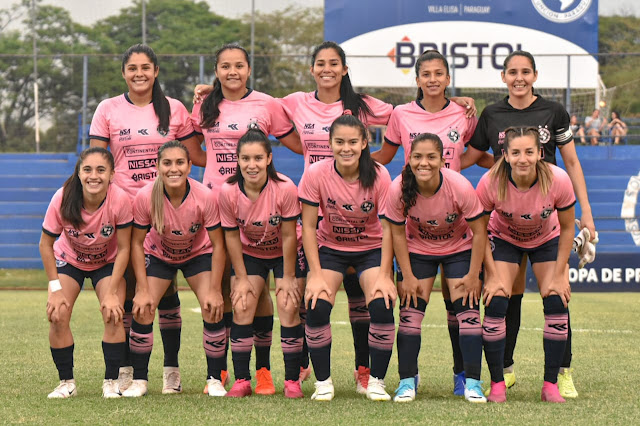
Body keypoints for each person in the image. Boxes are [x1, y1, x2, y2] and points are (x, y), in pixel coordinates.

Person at [461, 50, 594, 399]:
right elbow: (472, 156)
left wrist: (586, 217)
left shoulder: (554, 118)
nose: (519, 78)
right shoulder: (492, 118)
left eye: (525, 72)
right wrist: (433, 168)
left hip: (546, 220)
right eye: (512, 72)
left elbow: (572, 164)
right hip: (506, 227)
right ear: (503, 76)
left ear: (535, 75)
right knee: (504, 297)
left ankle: (558, 376)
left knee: (556, 294)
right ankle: (502, 375)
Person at [89, 44, 202, 394]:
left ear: (155, 72)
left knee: (165, 292)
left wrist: (208, 104)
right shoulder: (108, 109)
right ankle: (125, 368)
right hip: (124, 206)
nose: (139, 73)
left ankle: (171, 369)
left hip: (165, 208)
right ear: (123, 72)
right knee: (126, 295)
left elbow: (195, 154)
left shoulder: (176, 109)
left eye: (146, 68)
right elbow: (97, 158)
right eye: (132, 68)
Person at [190, 44, 301, 395]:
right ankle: (220, 372)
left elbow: (299, 143)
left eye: (239, 65)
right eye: (225, 66)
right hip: (216, 203)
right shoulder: (205, 103)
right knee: (224, 287)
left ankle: (264, 371)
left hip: (260, 204)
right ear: (217, 69)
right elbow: (195, 150)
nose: (232, 72)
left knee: (256, 291)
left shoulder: (267, 104)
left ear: (249, 69)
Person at [371, 49, 480, 396]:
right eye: (426, 74)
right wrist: (350, 157)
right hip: (418, 228)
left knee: (458, 304)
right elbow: (386, 156)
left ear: (448, 78)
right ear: (417, 80)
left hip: (453, 221)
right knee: (413, 303)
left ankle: (463, 375)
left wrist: (508, 165)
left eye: (439, 73)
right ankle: (409, 378)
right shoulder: (402, 114)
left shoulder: (464, 112)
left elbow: (473, 152)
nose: (432, 79)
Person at [298, 114, 396, 401]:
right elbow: (308, 226)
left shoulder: (379, 174)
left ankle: (375, 381)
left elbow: (389, 228)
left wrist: (386, 274)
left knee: (381, 305)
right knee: (316, 305)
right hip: (330, 249)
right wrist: (315, 274)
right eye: (339, 142)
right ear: (330, 144)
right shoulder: (316, 173)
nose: (346, 148)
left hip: (370, 250)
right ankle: (323, 383)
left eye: (353, 142)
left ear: (365, 143)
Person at [383, 133, 487, 403]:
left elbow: (479, 233)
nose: (424, 163)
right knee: (409, 315)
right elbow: (396, 234)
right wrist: (405, 275)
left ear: (443, 160)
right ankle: (407, 381)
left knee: (469, 314)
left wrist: (474, 275)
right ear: (409, 159)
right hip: (418, 250)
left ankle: (472, 382)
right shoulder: (398, 188)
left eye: (431, 157)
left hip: (459, 248)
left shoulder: (459, 186)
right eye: (417, 157)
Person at [476, 126, 575, 403]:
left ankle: (550, 384)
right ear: (505, 155)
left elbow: (567, 229)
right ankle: (497, 384)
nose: (523, 158)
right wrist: (492, 275)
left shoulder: (558, 179)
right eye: (516, 152)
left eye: (529, 152)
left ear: (540, 153)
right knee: (495, 301)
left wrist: (559, 274)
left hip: (547, 239)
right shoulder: (489, 181)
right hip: (505, 239)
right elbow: (479, 231)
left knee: (556, 300)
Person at [124, 141, 226, 397]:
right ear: (157, 166)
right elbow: (136, 243)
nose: (173, 168)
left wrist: (214, 290)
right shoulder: (145, 196)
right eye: (167, 163)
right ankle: (140, 380)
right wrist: (143, 288)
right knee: (144, 308)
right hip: (159, 256)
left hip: (196, 255)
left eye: (179, 162)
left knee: (212, 308)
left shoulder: (205, 196)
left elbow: (218, 245)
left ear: (190, 166)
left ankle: (214, 379)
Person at [219, 126, 306, 398]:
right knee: (242, 303)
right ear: (238, 160)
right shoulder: (228, 191)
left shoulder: (285, 187)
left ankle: (292, 380)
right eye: (245, 158)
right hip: (250, 254)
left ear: (269, 159)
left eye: (258, 158)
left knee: (288, 304)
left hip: (285, 253)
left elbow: (290, 235)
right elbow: (231, 238)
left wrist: (289, 276)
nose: (251, 164)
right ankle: (244, 380)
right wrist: (242, 277)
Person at [40, 147, 132, 398]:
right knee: (57, 314)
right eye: (88, 169)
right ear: (79, 173)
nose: (94, 176)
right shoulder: (62, 197)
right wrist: (55, 289)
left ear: (112, 174)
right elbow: (45, 244)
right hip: (70, 260)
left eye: (101, 170)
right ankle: (66, 383)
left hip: (107, 261)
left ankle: (111, 382)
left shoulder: (120, 199)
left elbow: (124, 248)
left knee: (113, 313)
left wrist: (112, 292)